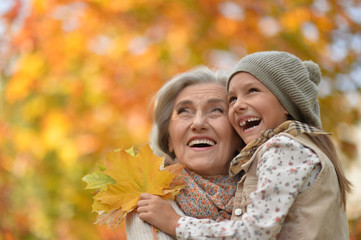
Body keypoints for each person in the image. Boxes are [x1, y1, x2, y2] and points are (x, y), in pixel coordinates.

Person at [137, 51, 352, 239]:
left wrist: (177, 224)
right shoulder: (149, 198)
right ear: (168, 140)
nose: (239, 105)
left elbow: (253, 233)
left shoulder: (282, 148)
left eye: (216, 110)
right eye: (232, 99)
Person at [126, 66, 243, 239]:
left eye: (216, 110)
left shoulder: (271, 190)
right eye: (184, 111)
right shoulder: (147, 203)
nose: (198, 123)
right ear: (169, 140)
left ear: (239, 136)